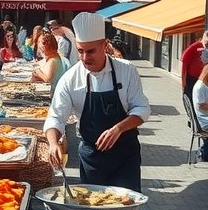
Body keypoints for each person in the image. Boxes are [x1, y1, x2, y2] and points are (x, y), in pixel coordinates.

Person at [44, 12, 150, 193]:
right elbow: (56, 117)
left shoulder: (127, 70)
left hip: (125, 156)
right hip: (92, 157)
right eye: (80, 51)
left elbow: (142, 108)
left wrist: (118, 128)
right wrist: (53, 143)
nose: (85, 58)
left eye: (91, 51)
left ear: (104, 45)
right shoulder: (70, 78)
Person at [180, 30, 208, 97]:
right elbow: (183, 63)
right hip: (193, 79)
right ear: (204, 38)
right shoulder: (194, 47)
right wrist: (183, 82)